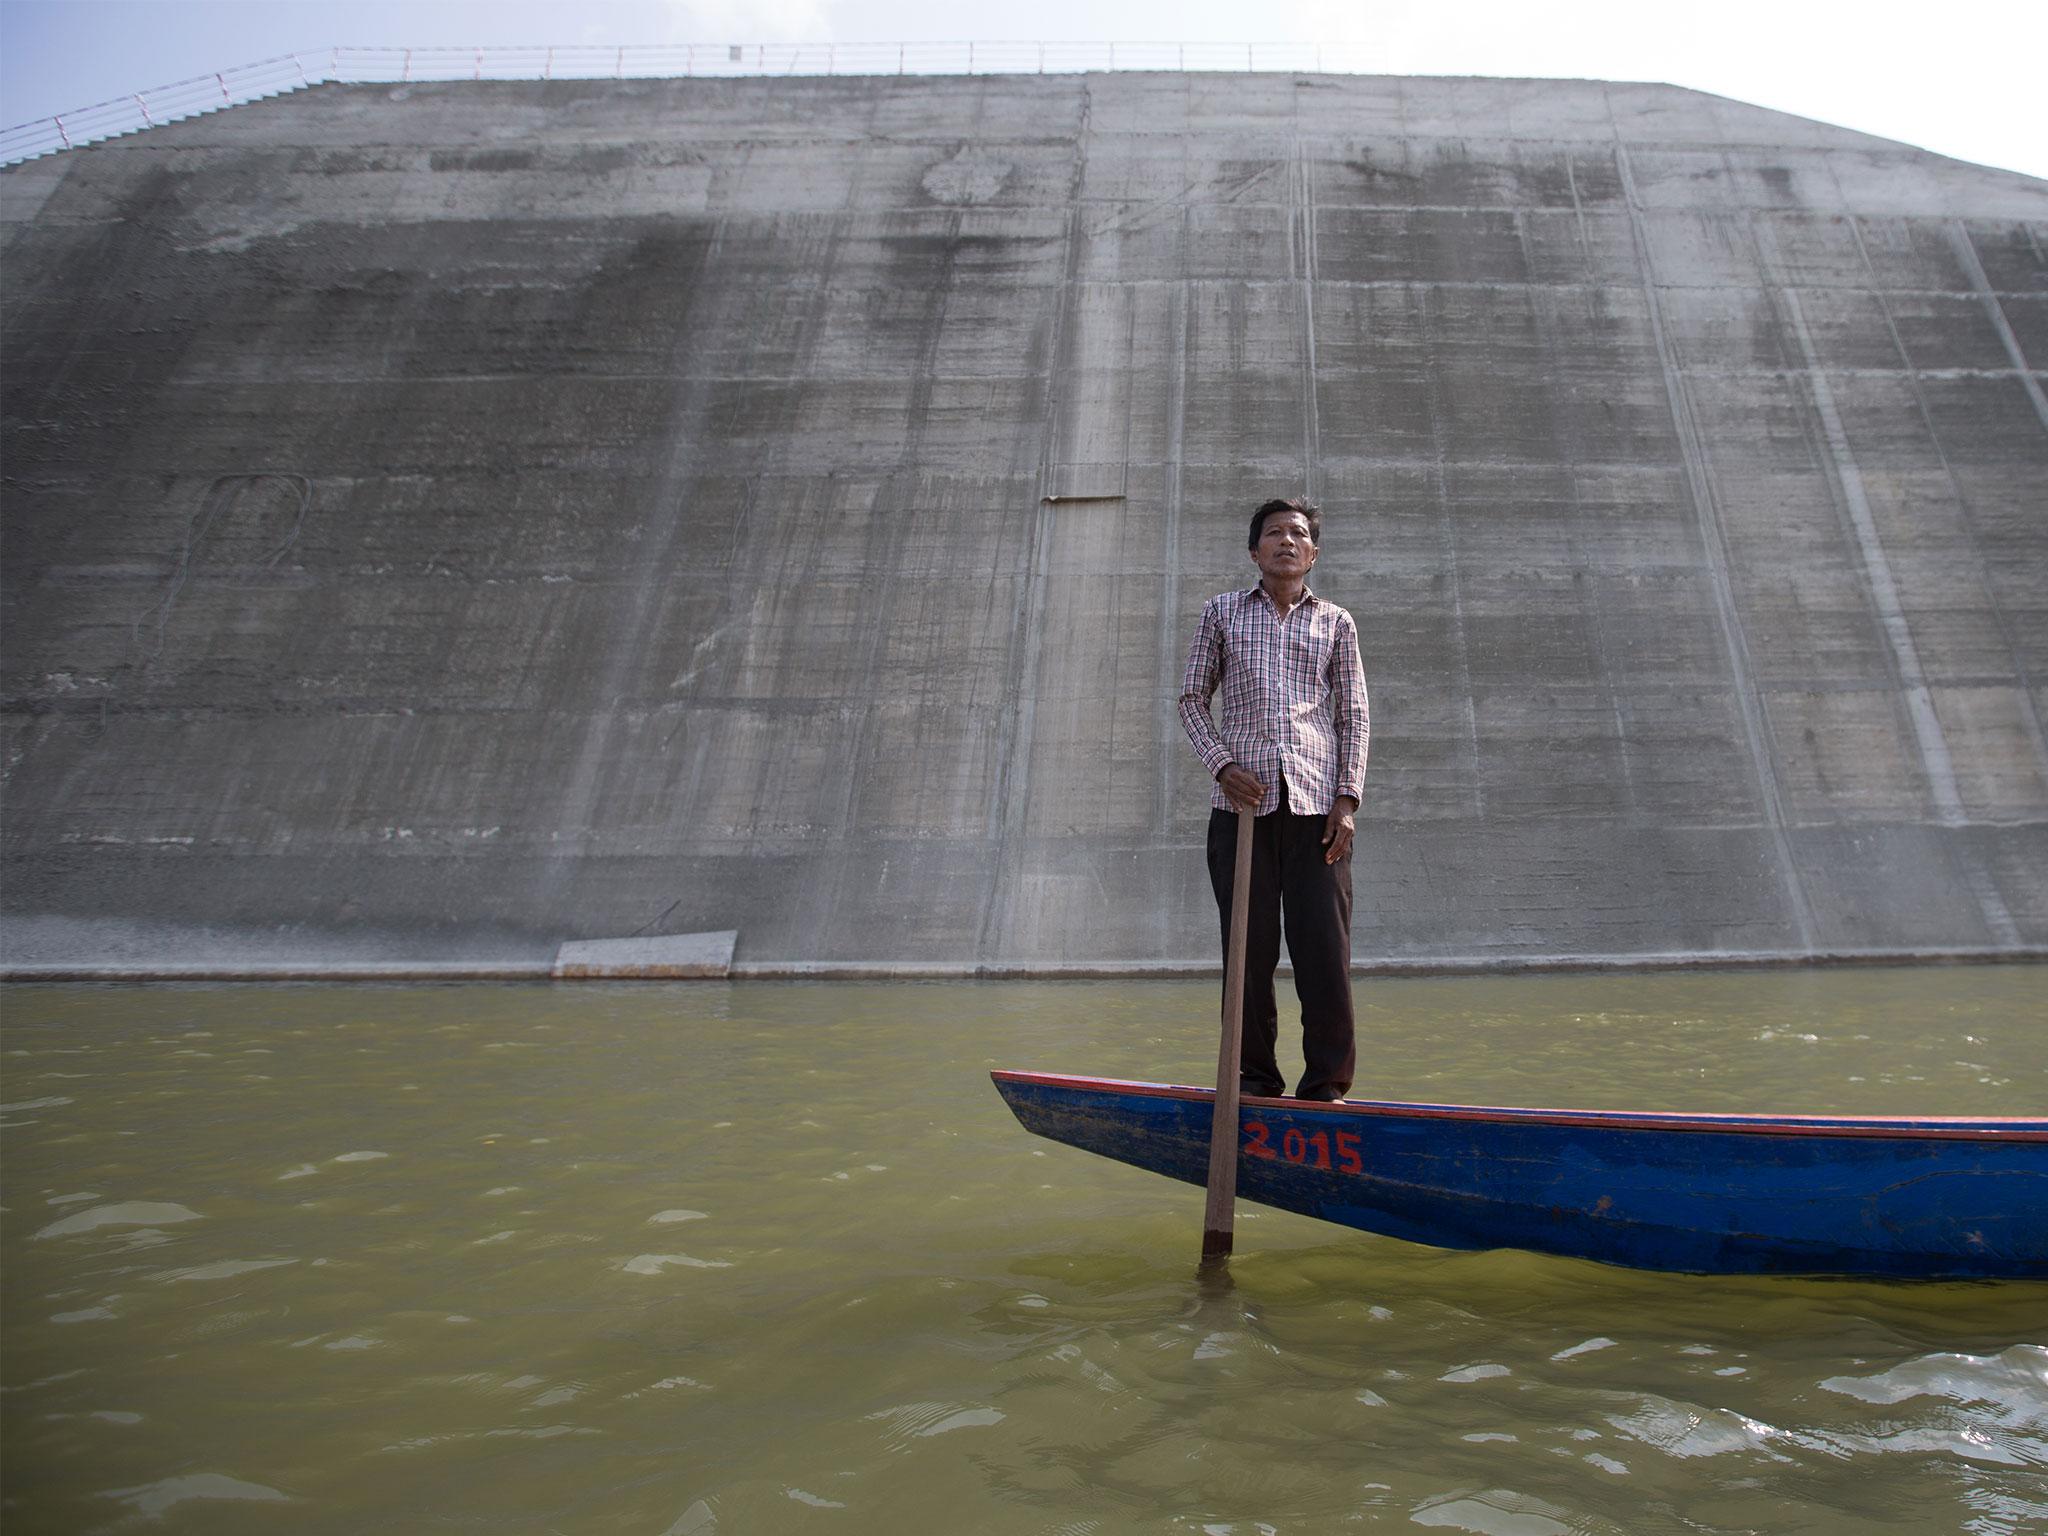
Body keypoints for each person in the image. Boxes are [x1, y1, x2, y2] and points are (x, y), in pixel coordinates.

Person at [1177, 497, 1369, 1102]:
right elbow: (1190, 699)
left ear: (1312, 552)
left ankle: (1327, 1088)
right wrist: (1223, 764)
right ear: (1254, 551)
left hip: (1318, 813)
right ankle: (1255, 1082)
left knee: (1325, 956)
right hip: (1241, 815)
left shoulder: (1336, 622)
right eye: (1274, 533)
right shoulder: (1223, 612)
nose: (1286, 541)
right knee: (1247, 958)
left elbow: (1353, 715)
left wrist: (1348, 799)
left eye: (1298, 534)